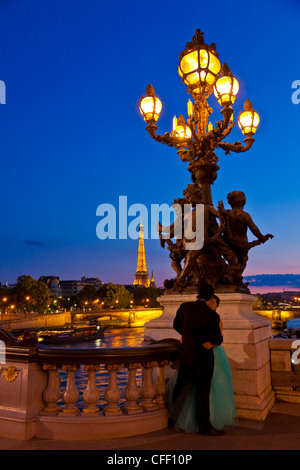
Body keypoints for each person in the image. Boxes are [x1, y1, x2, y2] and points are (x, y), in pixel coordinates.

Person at [168, 293, 236, 434]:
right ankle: (204, 426)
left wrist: (188, 337)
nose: (211, 304)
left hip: (190, 354)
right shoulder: (211, 316)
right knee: (202, 391)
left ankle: (173, 417)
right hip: (204, 355)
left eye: (214, 303)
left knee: (184, 387)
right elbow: (217, 338)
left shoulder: (187, 308)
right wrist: (210, 343)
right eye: (210, 301)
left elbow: (177, 326)